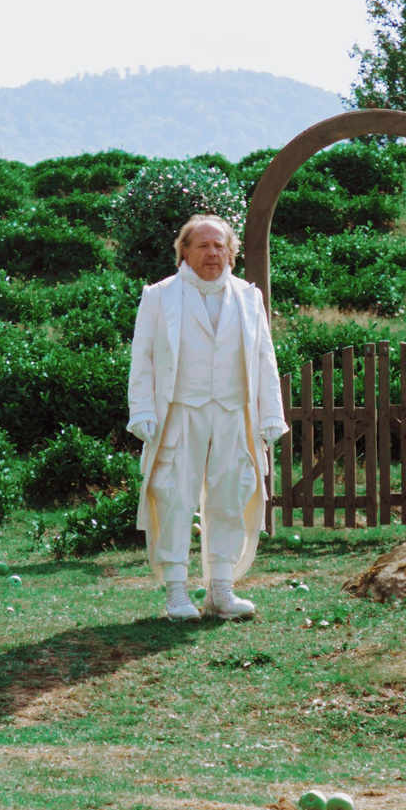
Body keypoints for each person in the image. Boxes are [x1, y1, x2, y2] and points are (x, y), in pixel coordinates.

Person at [127, 214, 287, 622]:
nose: (212, 253)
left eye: (219, 245)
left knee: (231, 497)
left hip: (234, 413)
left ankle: (221, 589)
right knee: (175, 498)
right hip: (181, 412)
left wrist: (271, 414)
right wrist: (142, 408)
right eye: (202, 245)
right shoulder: (159, 296)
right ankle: (177, 592)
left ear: (231, 251)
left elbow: (265, 359)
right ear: (184, 251)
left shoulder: (249, 297)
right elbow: (142, 358)